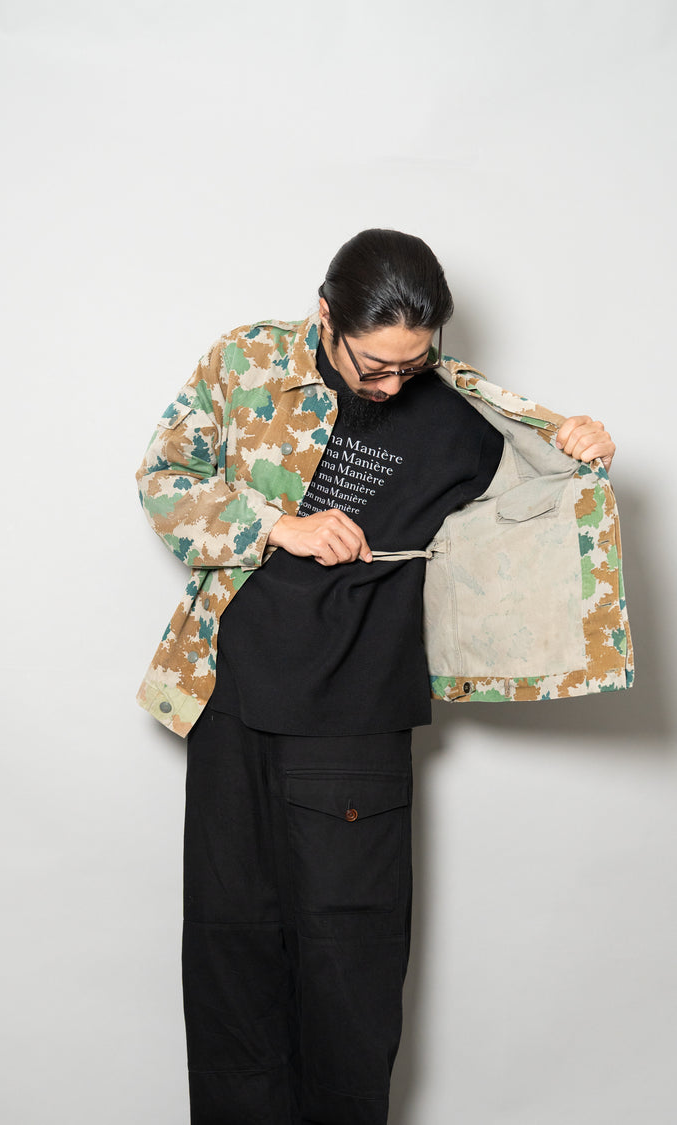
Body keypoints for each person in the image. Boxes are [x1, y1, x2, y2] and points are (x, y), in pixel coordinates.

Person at [135, 229, 632, 1124]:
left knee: (348, 973)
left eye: (413, 363)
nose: (394, 384)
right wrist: (275, 525)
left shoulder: (456, 410)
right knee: (229, 953)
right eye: (375, 366)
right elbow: (165, 477)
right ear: (326, 316)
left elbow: (543, 494)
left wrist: (577, 443)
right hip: (228, 700)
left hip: (355, 721)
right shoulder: (246, 361)